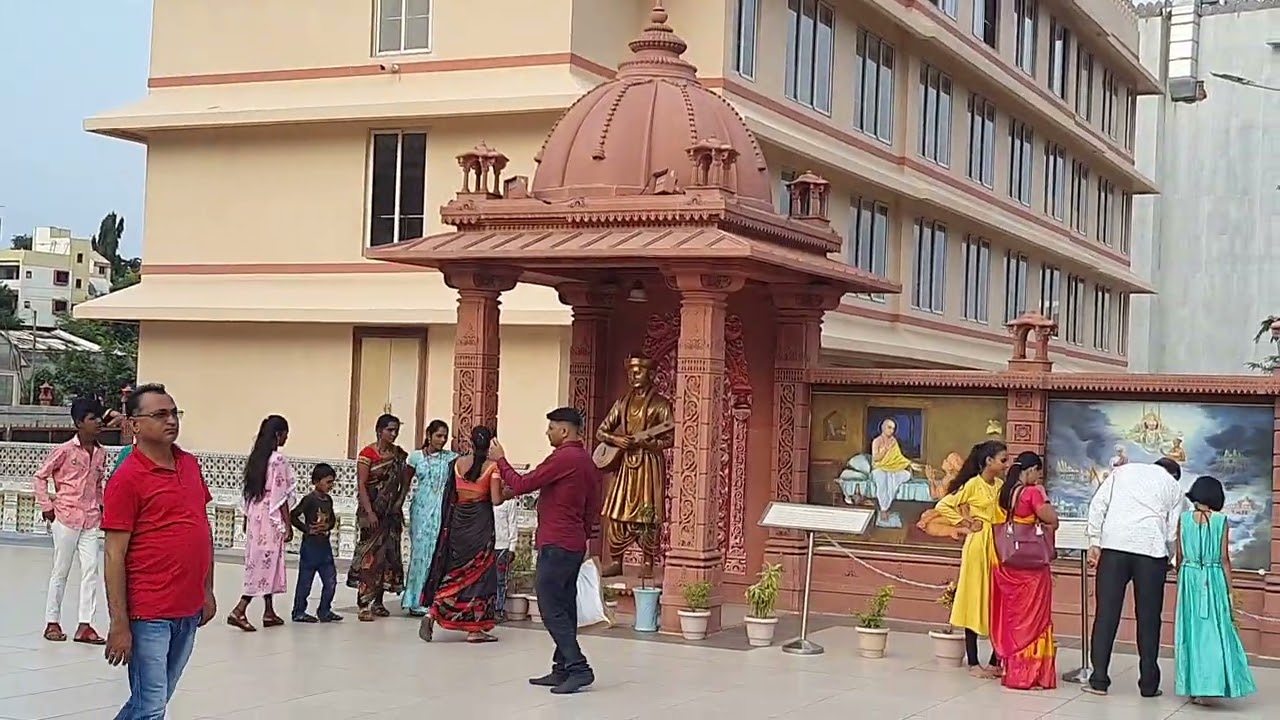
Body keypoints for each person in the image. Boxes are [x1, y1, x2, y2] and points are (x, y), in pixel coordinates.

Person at [102, 384, 216, 718]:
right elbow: (113, 555)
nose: (171, 421)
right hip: (148, 612)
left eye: (174, 413)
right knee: (151, 706)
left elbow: (201, 530)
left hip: (187, 608)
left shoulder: (190, 465)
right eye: (159, 414)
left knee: (153, 700)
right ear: (134, 424)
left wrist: (206, 590)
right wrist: (119, 623)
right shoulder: (128, 479)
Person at [494, 407, 603, 695]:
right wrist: (583, 533)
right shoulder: (587, 462)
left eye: (551, 427)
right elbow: (594, 505)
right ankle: (562, 668)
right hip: (573, 543)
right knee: (564, 606)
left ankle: (579, 667)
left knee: (550, 606)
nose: (548, 432)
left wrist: (500, 460)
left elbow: (521, 483)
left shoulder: (564, 458)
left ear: (564, 431)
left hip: (556, 543)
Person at [1085, 458, 1185, 697]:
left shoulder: (1123, 472)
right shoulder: (1174, 486)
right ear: (1173, 474)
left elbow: (1098, 504)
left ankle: (1099, 678)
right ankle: (1148, 684)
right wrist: (1168, 557)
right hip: (1151, 551)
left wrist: (1094, 541)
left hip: (1114, 547)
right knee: (1149, 619)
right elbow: (1172, 530)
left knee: (1106, 615)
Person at [1174, 475, 1256, 705]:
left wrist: (1183, 574)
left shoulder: (1184, 519)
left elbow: (1179, 555)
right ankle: (1215, 684)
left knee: (1190, 631)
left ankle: (1193, 685)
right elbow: (1224, 559)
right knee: (1215, 631)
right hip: (1213, 578)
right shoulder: (1221, 521)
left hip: (1189, 577)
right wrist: (1230, 591)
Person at [418, 425, 504, 643]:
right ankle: (475, 629)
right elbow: (495, 499)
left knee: (454, 572)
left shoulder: (456, 464)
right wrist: (510, 491)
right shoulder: (493, 467)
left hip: (458, 525)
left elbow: (453, 495)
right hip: (480, 526)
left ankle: (432, 612)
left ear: (471, 441)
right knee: (480, 575)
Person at [35, 397, 110, 645]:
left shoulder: (101, 453)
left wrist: (102, 508)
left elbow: (98, 485)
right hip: (65, 517)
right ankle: (52, 621)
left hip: (90, 519)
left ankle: (85, 625)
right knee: (61, 570)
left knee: (91, 569)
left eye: (100, 417)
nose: (99, 422)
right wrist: (47, 505)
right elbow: (40, 476)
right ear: (79, 423)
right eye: (92, 418)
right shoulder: (65, 450)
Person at [930, 439, 1007, 678]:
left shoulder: (1001, 485)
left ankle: (996, 660)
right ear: (988, 461)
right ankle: (974, 662)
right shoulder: (973, 485)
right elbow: (944, 505)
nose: (1006, 464)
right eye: (1003, 460)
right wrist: (965, 523)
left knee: (999, 599)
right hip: (978, 543)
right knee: (974, 597)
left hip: (999, 543)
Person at [990, 451, 1059, 690]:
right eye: (1038, 472)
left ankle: (1013, 671)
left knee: (1016, 618)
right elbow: (1052, 520)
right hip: (1032, 566)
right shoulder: (1032, 492)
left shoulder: (1007, 492)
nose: (1039, 477)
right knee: (1035, 619)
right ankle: (1032, 674)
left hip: (1010, 562)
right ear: (1030, 470)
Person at [227, 415, 296, 631]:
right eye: (285, 433)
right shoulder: (278, 460)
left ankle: (269, 611)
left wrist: (248, 519)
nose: (286, 438)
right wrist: (287, 523)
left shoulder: (257, 458)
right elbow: (280, 495)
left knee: (264, 560)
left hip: (256, 514)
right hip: (269, 516)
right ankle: (240, 609)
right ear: (278, 434)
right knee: (266, 562)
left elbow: (249, 493)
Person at [346, 413, 412, 621]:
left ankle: (379, 601)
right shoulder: (367, 455)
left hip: (391, 513)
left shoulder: (399, 455)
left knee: (387, 556)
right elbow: (362, 486)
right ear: (379, 431)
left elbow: (404, 483)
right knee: (369, 556)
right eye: (389, 430)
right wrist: (370, 512)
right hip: (371, 512)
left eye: (396, 431)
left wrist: (399, 502)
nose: (393, 434)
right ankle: (364, 602)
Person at [403, 420, 458, 616]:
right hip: (421, 509)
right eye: (438, 436)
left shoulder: (451, 458)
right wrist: (397, 508)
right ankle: (414, 599)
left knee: (437, 551)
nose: (442, 440)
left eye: (445, 436)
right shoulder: (415, 457)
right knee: (419, 553)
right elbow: (405, 484)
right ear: (429, 435)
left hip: (441, 511)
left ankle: (433, 599)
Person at [290, 463, 342, 623]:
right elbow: (294, 515)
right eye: (328, 482)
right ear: (317, 482)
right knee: (305, 582)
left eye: (332, 482)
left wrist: (328, 526)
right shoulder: (309, 500)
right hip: (310, 547)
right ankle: (299, 611)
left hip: (324, 548)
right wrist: (307, 529)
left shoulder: (328, 500)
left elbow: (332, 519)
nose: (331, 486)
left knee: (331, 580)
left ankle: (325, 609)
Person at [493, 479, 521, 621]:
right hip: (487, 546)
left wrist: (512, 547)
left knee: (500, 580)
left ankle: (499, 609)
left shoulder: (509, 502)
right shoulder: (487, 499)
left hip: (502, 547)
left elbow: (513, 524)